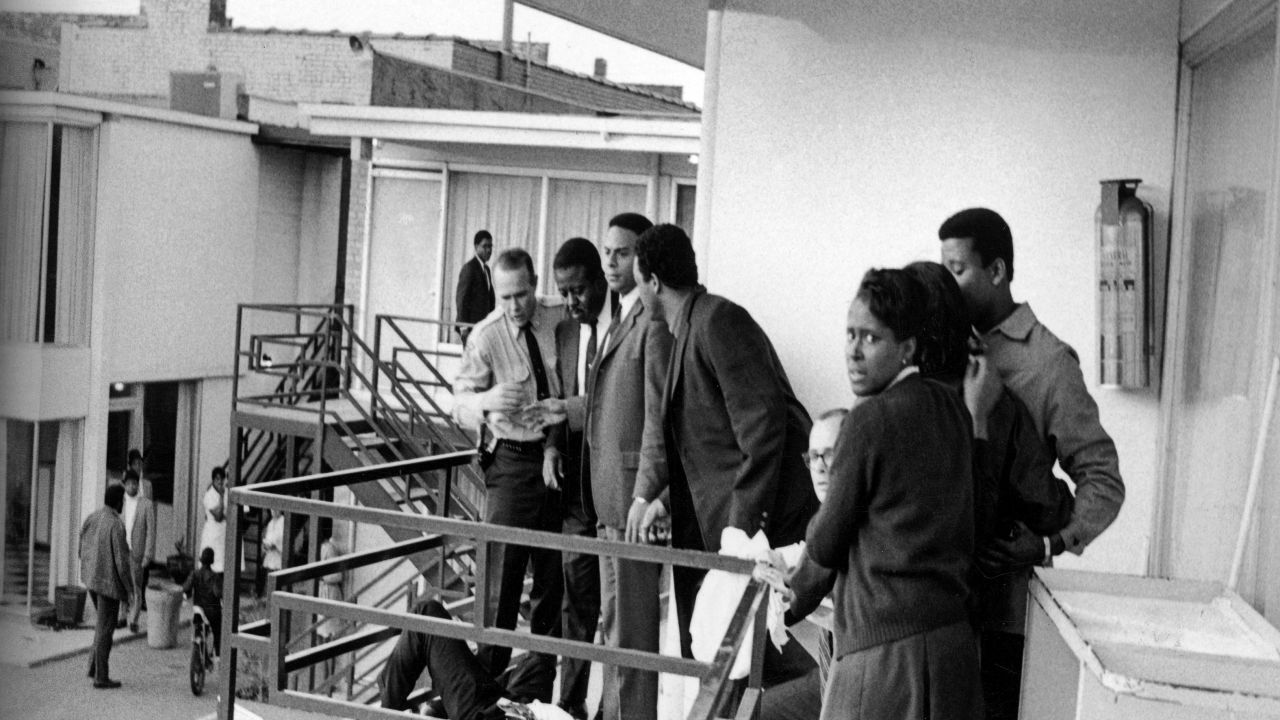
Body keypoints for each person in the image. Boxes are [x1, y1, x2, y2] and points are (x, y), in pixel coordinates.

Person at [939, 208, 1124, 716]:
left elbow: (1103, 481)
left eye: (958, 270)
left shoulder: (1048, 362)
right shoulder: (948, 347)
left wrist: (1049, 543)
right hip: (942, 603)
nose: (948, 285)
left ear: (996, 271)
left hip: (1003, 615)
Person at [781, 268, 981, 720]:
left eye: (871, 339)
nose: (853, 351)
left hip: (885, 659)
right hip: (951, 651)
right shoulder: (952, 407)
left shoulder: (869, 419)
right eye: (850, 334)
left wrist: (790, 601)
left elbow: (828, 540)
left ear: (907, 347)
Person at [631, 223, 819, 674]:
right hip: (728, 531)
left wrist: (743, 532)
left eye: (639, 284)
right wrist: (662, 501)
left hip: (757, 533)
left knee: (759, 658)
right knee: (737, 658)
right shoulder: (692, 327)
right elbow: (705, 448)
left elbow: (763, 426)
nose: (638, 296)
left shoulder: (718, 321)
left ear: (654, 281)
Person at [906, 260, 1075, 718]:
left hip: (906, 628)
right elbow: (1047, 506)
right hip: (994, 614)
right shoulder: (1000, 404)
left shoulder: (891, 411)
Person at [539, 214, 674, 720]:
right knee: (614, 625)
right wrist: (564, 414)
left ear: (643, 260)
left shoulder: (652, 324)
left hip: (630, 499)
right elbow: (604, 400)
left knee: (630, 629)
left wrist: (646, 496)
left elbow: (659, 418)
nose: (611, 261)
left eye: (622, 253)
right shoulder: (620, 317)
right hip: (605, 498)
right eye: (608, 251)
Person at [452, 247, 564, 687]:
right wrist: (485, 401)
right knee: (500, 582)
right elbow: (456, 401)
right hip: (512, 464)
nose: (515, 306)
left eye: (521, 294)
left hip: (557, 457)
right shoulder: (485, 335)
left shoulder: (559, 317)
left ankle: (540, 692)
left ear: (535, 283)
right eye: (505, 298)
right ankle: (484, 694)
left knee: (551, 585)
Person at [546, 237, 609, 720]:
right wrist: (550, 447)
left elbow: (608, 407)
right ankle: (570, 708)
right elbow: (558, 397)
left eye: (579, 289)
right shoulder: (565, 332)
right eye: (564, 292)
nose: (571, 301)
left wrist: (566, 410)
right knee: (575, 608)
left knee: (619, 616)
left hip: (612, 501)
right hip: (573, 499)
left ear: (600, 280)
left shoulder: (626, 328)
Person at [758, 408, 846, 720]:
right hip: (833, 663)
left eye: (829, 454)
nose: (819, 468)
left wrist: (789, 579)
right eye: (812, 457)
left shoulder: (851, 521)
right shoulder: (824, 519)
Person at [380, 598, 570, 720]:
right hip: (512, 705)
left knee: (427, 612)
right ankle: (440, 708)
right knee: (539, 664)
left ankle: (385, 712)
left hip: (482, 714)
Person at [80, 483, 133, 689]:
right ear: (118, 501)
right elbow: (121, 563)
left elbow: (81, 544)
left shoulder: (92, 517)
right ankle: (101, 676)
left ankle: (93, 667)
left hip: (91, 579)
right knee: (105, 629)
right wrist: (129, 590)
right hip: (108, 585)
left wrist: (85, 567)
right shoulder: (116, 525)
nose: (124, 505)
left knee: (101, 625)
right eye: (123, 501)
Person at [120, 469, 155, 633]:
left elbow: (151, 532)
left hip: (138, 552)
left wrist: (148, 554)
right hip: (122, 550)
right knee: (121, 585)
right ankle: (121, 617)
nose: (132, 486)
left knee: (136, 588)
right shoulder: (121, 502)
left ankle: (134, 620)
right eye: (129, 484)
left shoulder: (146, 504)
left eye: (134, 483)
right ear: (124, 485)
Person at [457, 230, 497, 344]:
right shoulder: (469, 269)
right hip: (470, 329)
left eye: (490, 246)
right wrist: (464, 329)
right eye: (485, 246)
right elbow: (461, 300)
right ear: (476, 247)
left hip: (483, 329)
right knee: (471, 361)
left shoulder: (487, 270)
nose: (489, 250)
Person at [183, 547, 223, 657]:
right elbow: (218, 593)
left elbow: (186, 587)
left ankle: (199, 642)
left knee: (197, 627)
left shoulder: (195, 574)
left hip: (198, 609)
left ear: (201, 560)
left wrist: (189, 593)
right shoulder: (215, 577)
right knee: (218, 631)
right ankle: (218, 654)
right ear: (212, 561)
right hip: (212, 611)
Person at [199, 466, 228, 577]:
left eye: (222, 479)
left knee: (222, 563)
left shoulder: (226, 492)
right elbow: (219, 516)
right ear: (213, 480)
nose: (220, 482)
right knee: (211, 562)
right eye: (217, 479)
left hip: (223, 533)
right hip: (212, 532)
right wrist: (221, 497)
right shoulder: (209, 495)